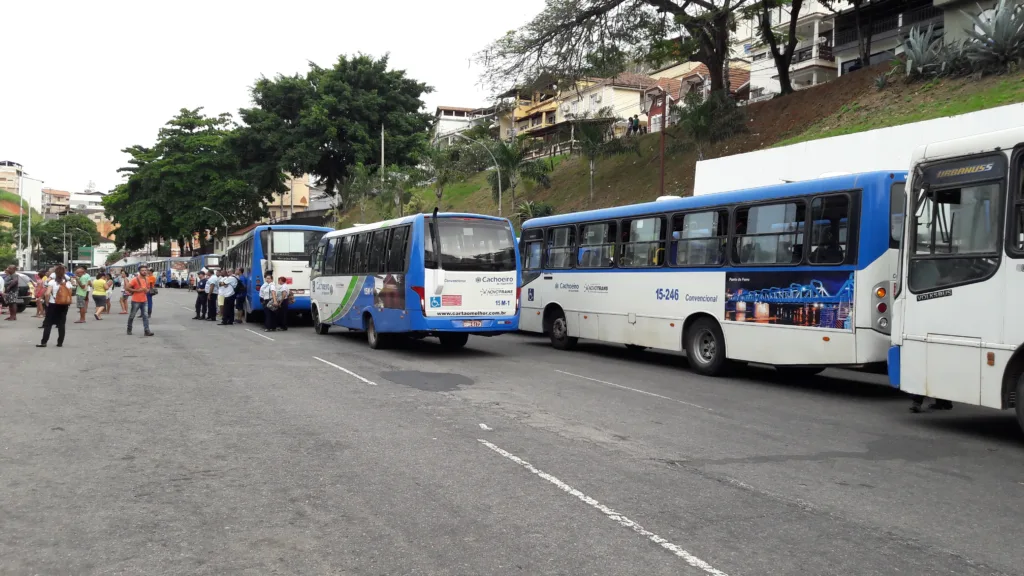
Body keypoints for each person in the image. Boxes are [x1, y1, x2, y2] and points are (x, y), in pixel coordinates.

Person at [37, 264, 75, 348]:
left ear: (55, 273)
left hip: (53, 304)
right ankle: (60, 342)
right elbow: (70, 294)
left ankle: (44, 342)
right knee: (61, 324)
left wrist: (47, 302)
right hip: (64, 305)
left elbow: (47, 294)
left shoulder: (52, 282)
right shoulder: (68, 283)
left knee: (48, 324)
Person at [126, 265, 154, 337]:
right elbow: (127, 288)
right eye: (142, 270)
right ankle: (129, 329)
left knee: (145, 316)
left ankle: (147, 330)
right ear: (139, 271)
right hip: (136, 300)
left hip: (144, 300)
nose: (144, 271)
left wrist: (146, 290)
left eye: (145, 270)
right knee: (132, 315)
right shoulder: (135, 279)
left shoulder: (147, 279)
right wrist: (137, 290)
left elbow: (148, 288)